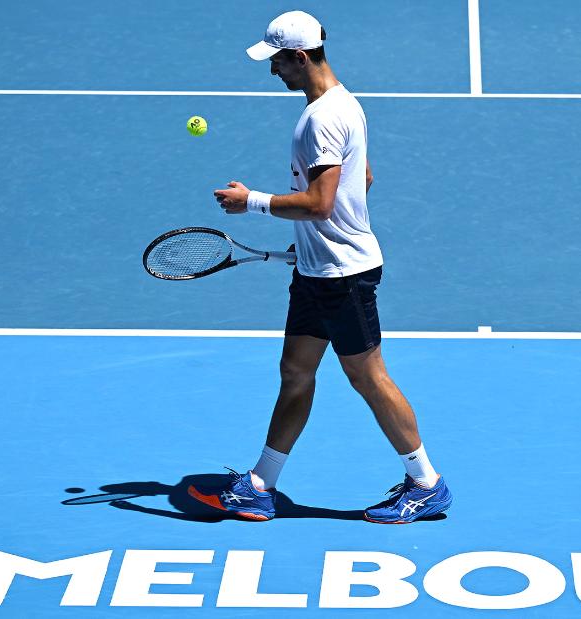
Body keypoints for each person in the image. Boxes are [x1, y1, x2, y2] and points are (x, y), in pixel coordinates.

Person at [188, 10, 451, 524]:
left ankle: (426, 483)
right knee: (295, 372)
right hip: (319, 271)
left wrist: (253, 202)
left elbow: (320, 203)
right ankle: (260, 485)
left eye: (278, 62)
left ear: (301, 57)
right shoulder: (342, 103)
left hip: (342, 278)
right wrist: (315, 245)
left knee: (369, 378)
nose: (273, 72)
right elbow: (364, 179)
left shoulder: (321, 119)